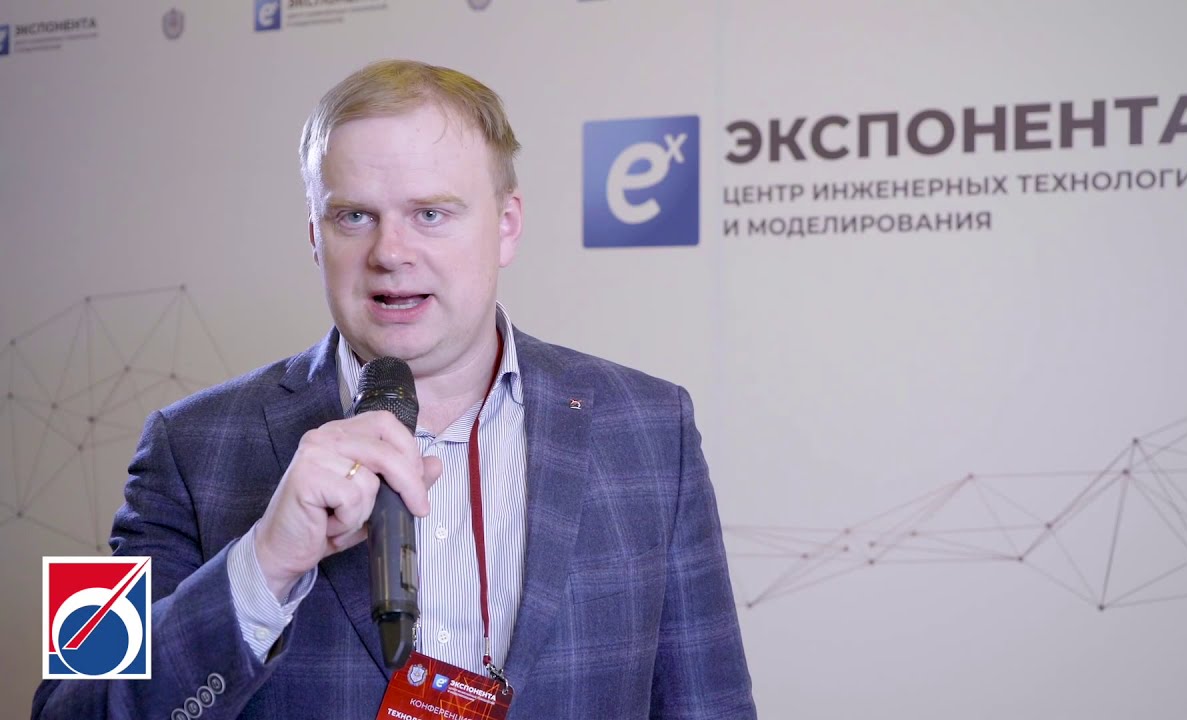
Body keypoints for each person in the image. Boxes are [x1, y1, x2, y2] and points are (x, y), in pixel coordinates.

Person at [32, 60, 756, 719]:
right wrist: (264, 565)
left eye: (431, 214)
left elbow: (711, 705)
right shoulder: (184, 443)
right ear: (315, 235)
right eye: (354, 217)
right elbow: (66, 709)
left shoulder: (651, 425)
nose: (390, 253)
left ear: (506, 226)